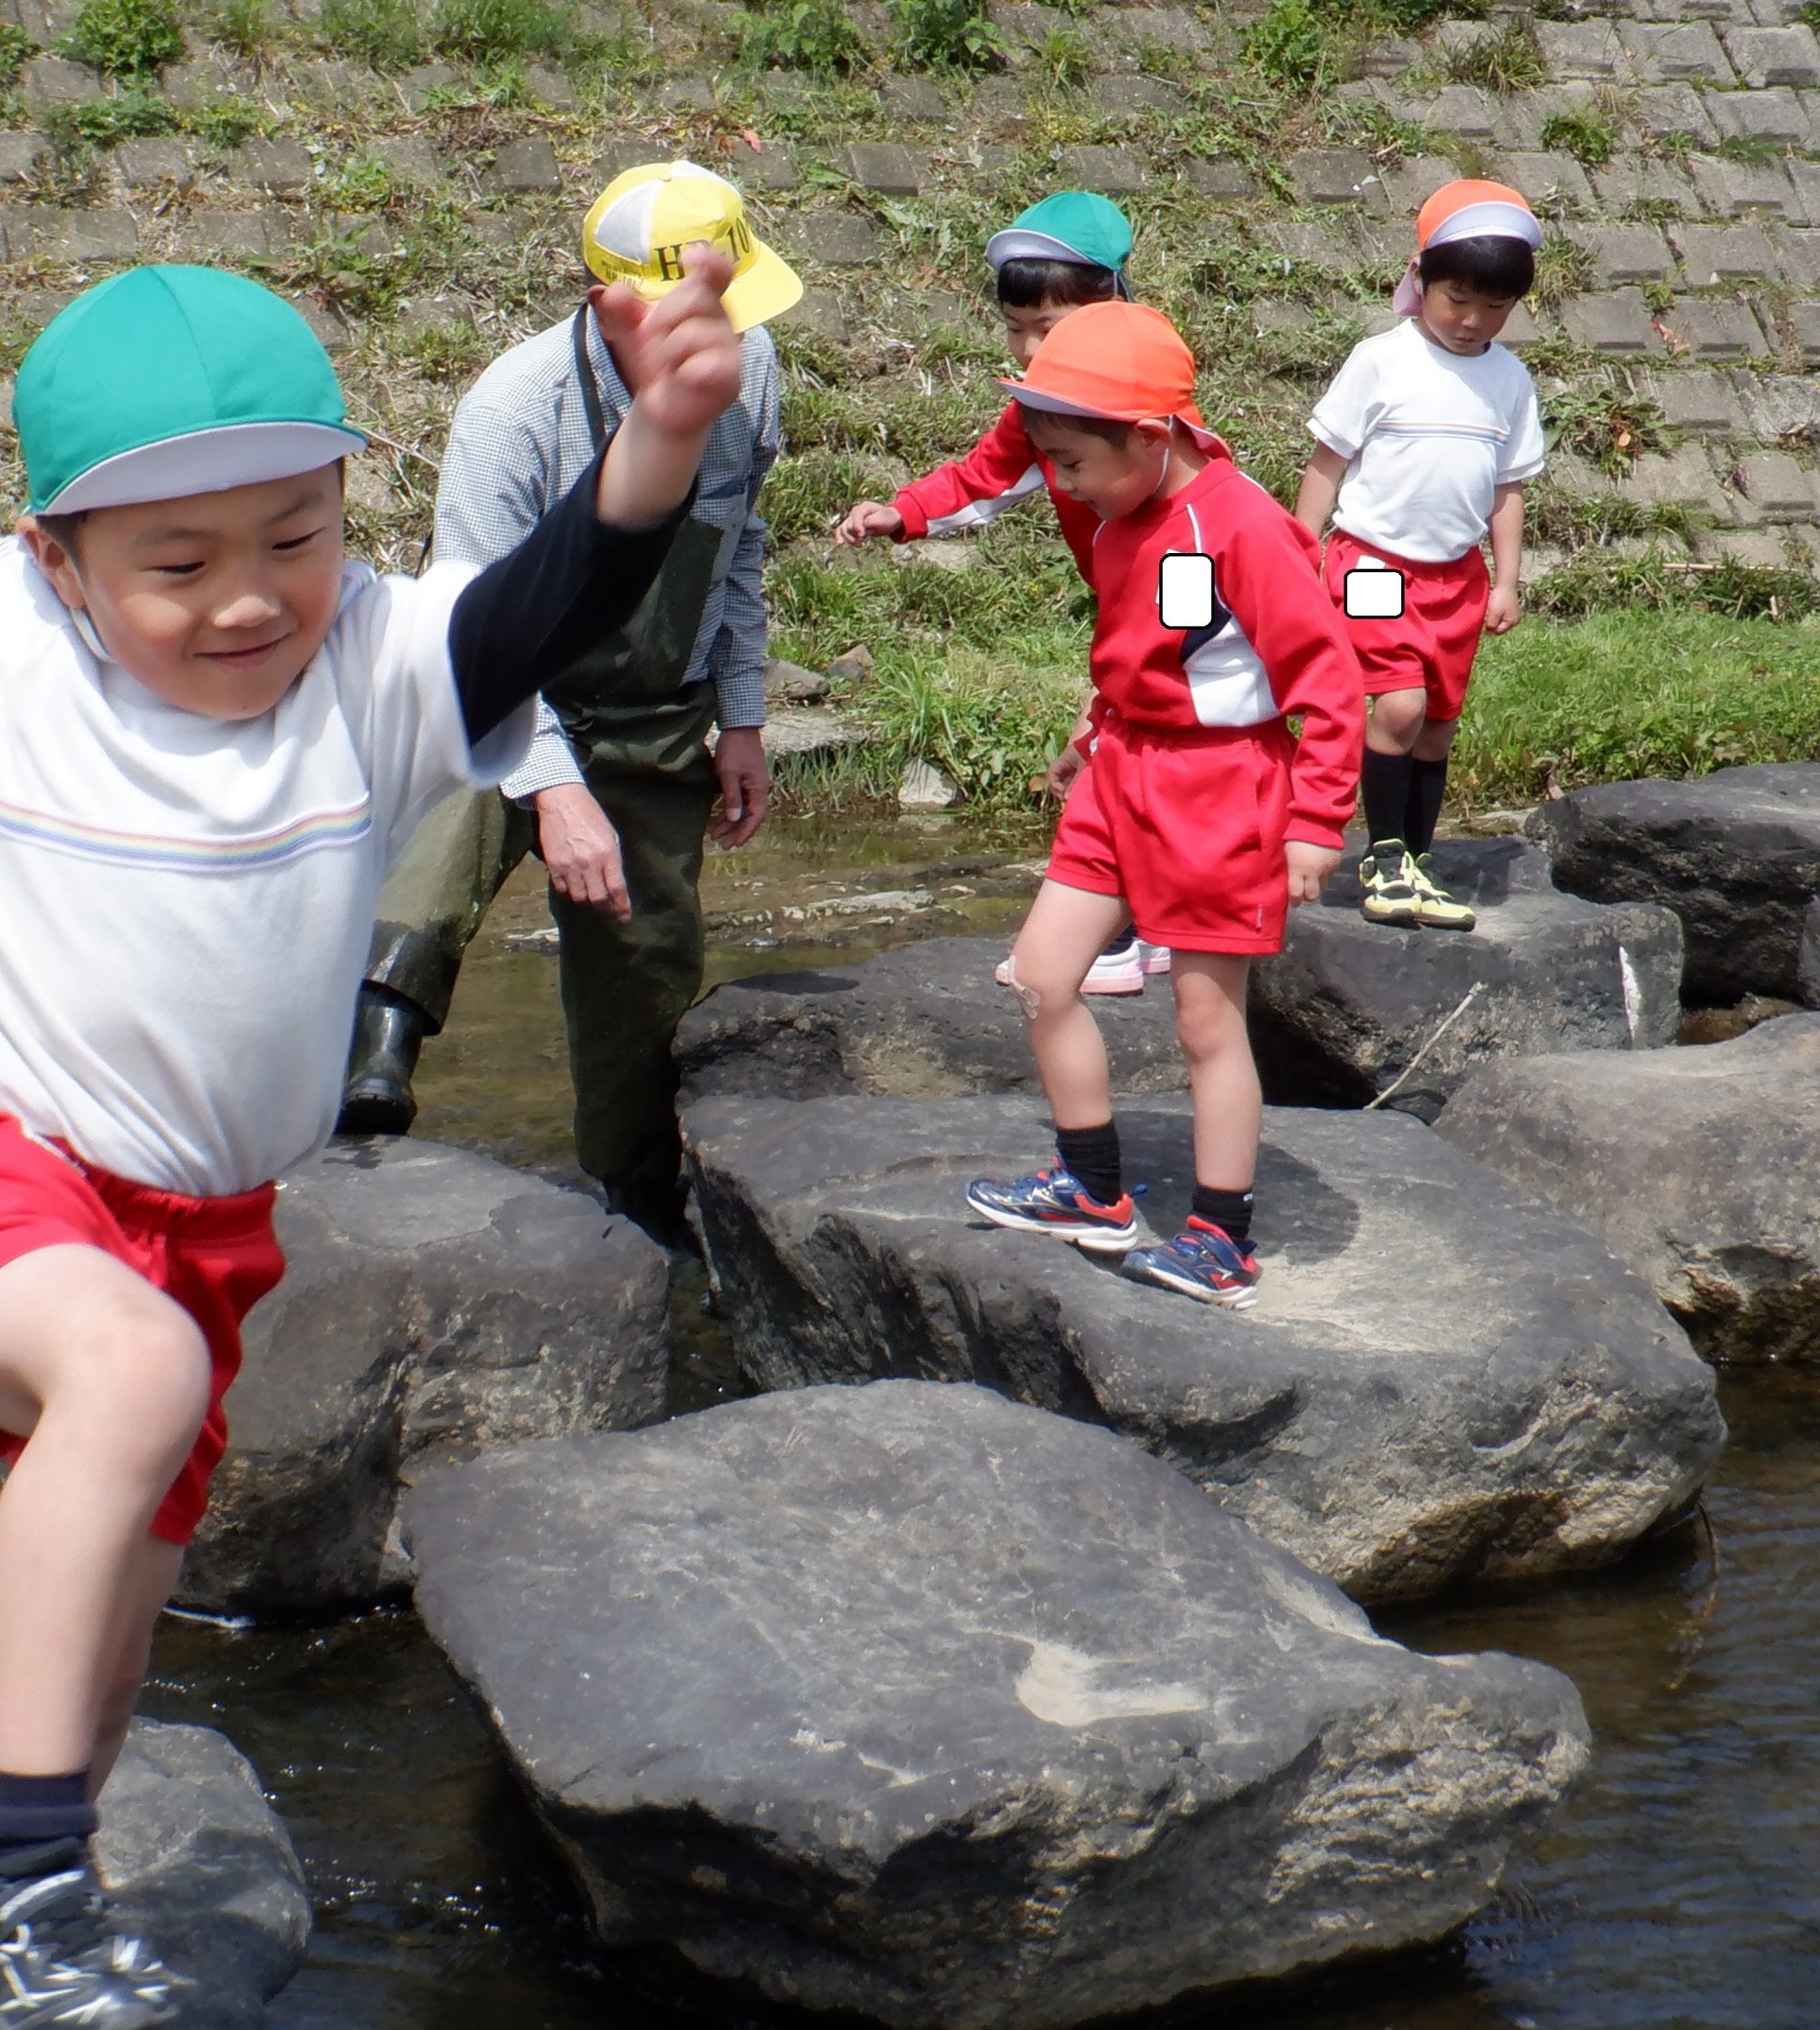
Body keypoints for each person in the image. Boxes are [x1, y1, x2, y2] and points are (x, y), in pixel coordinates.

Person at [0, 147, 747, 2030]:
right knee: (131, 1373)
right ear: (54, 557)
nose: (247, 598)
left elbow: (545, 600)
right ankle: (38, 1867)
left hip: (206, 1223)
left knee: (126, 1597)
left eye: (294, 534)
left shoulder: (365, 661)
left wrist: (660, 432)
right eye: (175, 563)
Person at [337, 161, 789, 1245]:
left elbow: (739, 552)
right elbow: (466, 632)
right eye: (689, 311)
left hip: (654, 716)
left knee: (645, 983)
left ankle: (634, 1202)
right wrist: (551, 788)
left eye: (726, 310)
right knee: (447, 801)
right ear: (610, 305)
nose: (714, 336)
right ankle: (371, 1059)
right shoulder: (512, 410)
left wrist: (740, 715)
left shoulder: (750, 373)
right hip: (503, 701)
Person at [961, 303, 1363, 1310]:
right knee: (1042, 975)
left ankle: (1221, 1236)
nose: (1060, 481)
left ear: (1150, 436)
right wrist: (1092, 731)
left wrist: (1315, 821)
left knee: (1202, 1020)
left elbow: (1328, 682)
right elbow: (1139, 648)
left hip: (1220, 787)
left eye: (1072, 461)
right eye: (1047, 458)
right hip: (1120, 774)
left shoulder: (1246, 530)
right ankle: (1093, 1191)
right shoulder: (1119, 514)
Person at [833, 191, 1198, 999]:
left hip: (1178, 595)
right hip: (1125, 606)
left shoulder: (1147, 396)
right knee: (1136, 747)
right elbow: (983, 476)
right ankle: (1156, 921)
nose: (1030, 349)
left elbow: (1198, 509)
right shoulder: (1037, 404)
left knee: (1139, 747)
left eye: (1050, 329)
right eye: (1016, 329)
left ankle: (1116, 938)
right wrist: (904, 513)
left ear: (1110, 307)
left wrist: (1133, 669)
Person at [1292, 178, 1545, 932]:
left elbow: (1507, 490)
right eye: (1456, 299)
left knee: (1436, 720)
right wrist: (1302, 547)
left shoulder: (1509, 379)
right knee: (1397, 703)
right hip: (1374, 565)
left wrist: (1507, 581)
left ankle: (1418, 855)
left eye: (1494, 307)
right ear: (1420, 279)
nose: (1472, 321)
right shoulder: (1382, 360)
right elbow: (1326, 462)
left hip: (1457, 577)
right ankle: (1384, 852)